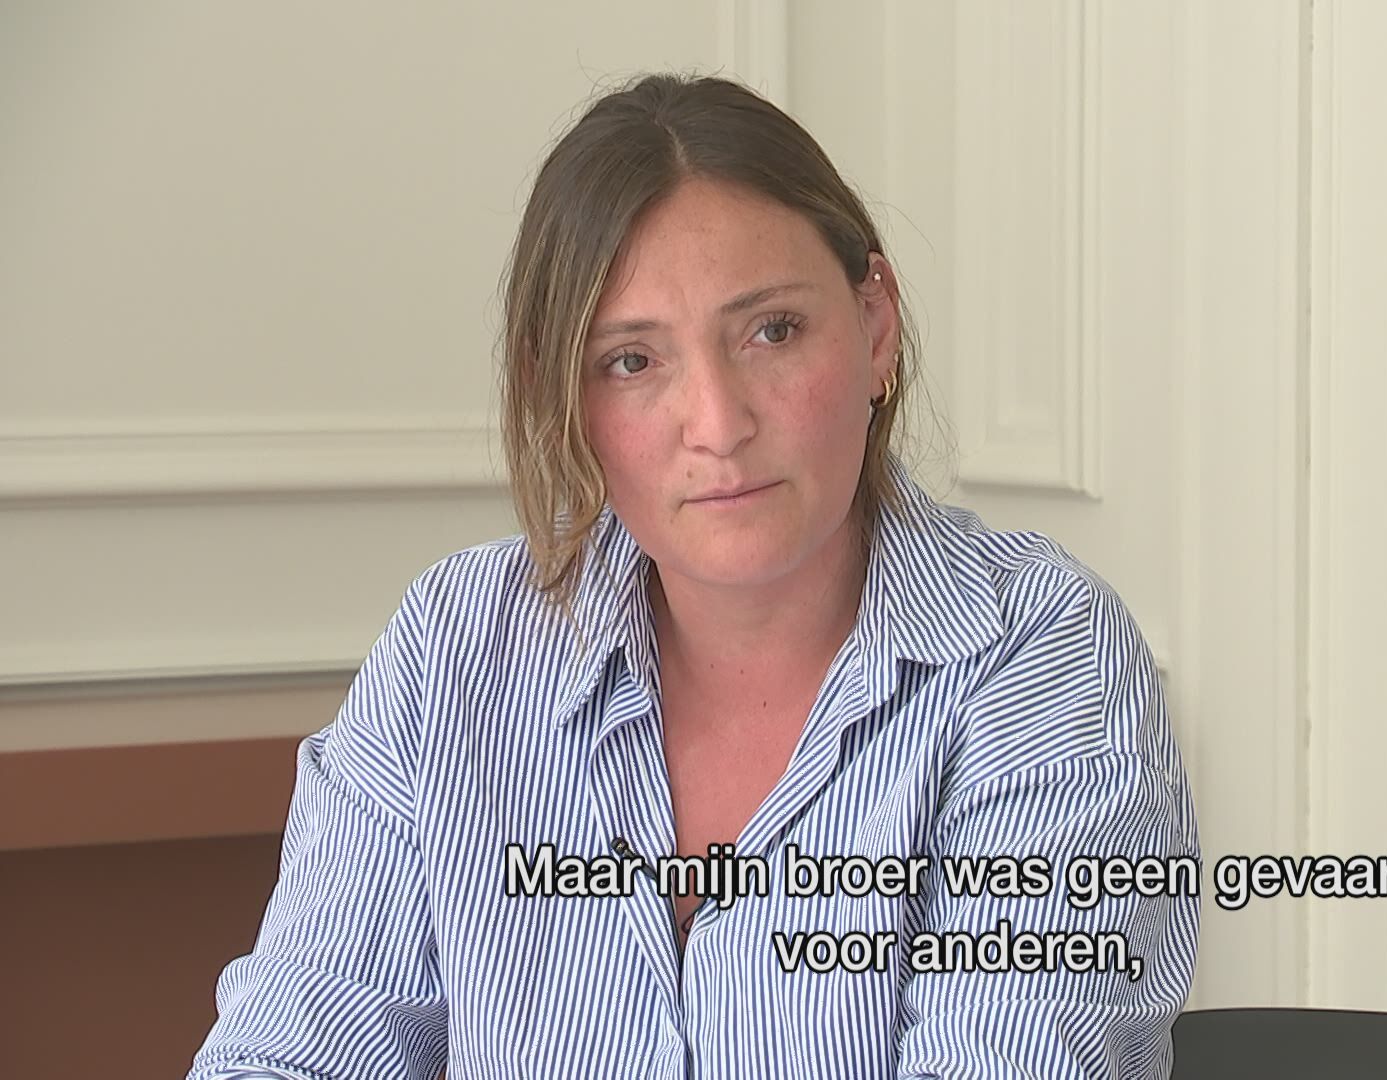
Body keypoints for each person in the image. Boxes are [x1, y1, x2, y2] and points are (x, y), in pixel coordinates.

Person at [187, 71, 1200, 1079]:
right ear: (561, 395)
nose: (718, 425)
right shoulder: (454, 646)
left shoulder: (1043, 657)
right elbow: (288, 1049)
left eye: (772, 331)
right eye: (633, 361)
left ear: (875, 325)